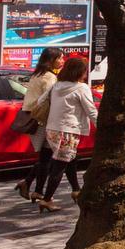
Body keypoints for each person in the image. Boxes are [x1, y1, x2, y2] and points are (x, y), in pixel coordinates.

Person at [38, 57, 96, 212]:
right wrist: (102, 127)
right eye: (84, 71)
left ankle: (76, 190)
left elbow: (39, 102)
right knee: (59, 165)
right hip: (68, 130)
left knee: (69, 159)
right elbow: (91, 111)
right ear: (80, 72)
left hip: (52, 129)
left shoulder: (56, 85)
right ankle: (47, 199)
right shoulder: (81, 88)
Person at [15, 48, 68, 204]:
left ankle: (32, 187)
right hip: (43, 120)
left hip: (35, 118)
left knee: (46, 156)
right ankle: (35, 188)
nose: (62, 61)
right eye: (60, 58)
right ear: (51, 60)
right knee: (49, 157)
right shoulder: (49, 78)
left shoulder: (37, 74)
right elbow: (50, 100)